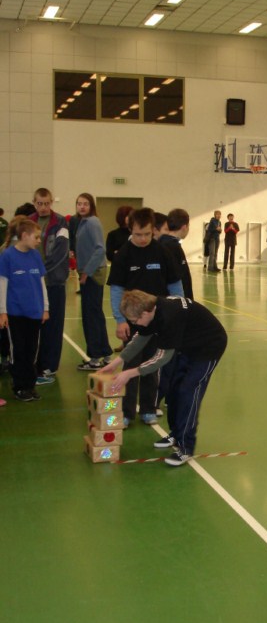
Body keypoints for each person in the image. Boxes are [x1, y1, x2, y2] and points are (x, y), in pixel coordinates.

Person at [99, 290, 227, 467]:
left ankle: (185, 447)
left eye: (135, 321)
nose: (134, 324)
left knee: (188, 392)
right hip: (186, 345)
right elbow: (141, 337)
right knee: (173, 388)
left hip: (208, 348)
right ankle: (176, 433)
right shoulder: (151, 311)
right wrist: (117, 362)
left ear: (145, 313)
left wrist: (129, 373)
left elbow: (161, 358)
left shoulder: (169, 317)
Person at [107, 207, 183, 427]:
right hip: (133, 322)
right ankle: (127, 412)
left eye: (147, 234)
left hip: (158, 321)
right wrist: (120, 320)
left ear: (154, 230)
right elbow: (116, 289)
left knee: (152, 365)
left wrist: (177, 313)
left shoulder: (162, 252)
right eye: (138, 234)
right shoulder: (123, 255)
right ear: (130, 229)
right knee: (130, 364)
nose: (142, 239)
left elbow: (175, 285)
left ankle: (148, 408)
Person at [0, 216, 49, 401]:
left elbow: (41, 284)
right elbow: (2, 285)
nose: (38, 241)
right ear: (24, 236)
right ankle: (19, 386)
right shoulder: (7, 256)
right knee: (18, 350)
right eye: (36, 237)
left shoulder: (35, 256)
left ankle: (30, 385)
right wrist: (2, 311)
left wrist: (45, 308)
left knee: (31, 350)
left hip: (34, 312)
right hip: (15, 314)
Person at [30, 187, 69, 382]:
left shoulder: (60, 223)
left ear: (51, 202)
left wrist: (41, 272)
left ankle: (49, 367)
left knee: (53, 326)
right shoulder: (28, 222)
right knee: (33, 326)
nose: (43, 207)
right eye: (39, 203)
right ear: (34, 203)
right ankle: (33, 364)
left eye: (46, 203)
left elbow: (61, 253)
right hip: (32, 285)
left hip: (54, 283)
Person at [74, 193, 112, 370]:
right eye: (79, 203)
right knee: (95, 314)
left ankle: (95, 358)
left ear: (91, 206)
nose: (82, 207)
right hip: (89, 272)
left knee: (90, 316)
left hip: (93, 274)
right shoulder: (83, 222)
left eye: (85, 204)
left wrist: (86, 273)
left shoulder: (92, 222)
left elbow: (100, 249)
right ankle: (105, 354)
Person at [160, 208, 193, 299]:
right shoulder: (172, 247)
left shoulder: (165, 243)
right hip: (175, 300)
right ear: (184, 227)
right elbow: (179, 277)